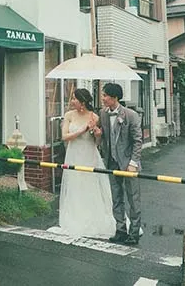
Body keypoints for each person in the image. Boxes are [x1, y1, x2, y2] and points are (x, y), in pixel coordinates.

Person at [57, 88, 116, 239]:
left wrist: (97, 134)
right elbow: (65, 137)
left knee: (89, 184)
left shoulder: (94, 117)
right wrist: (83, 130)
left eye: (74, 99)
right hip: (74, 154)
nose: (72, 101)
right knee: (75, 183)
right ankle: (75, 216)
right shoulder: (69, 115)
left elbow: (97, 143)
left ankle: (92, 216)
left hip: (89, 154)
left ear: (82, 102)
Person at [98, 82, 143, 245]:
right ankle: (120, 229)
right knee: (116, 198)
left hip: (128, 162)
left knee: (133, 198)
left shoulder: (130, 115)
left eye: (105, 95)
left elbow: (138, 141)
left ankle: (134, 232)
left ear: (114, 97)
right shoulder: (103, 114)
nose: (102, 98)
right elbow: (102, 136)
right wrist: (96, 133)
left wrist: (133, 162)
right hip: (111, 162)